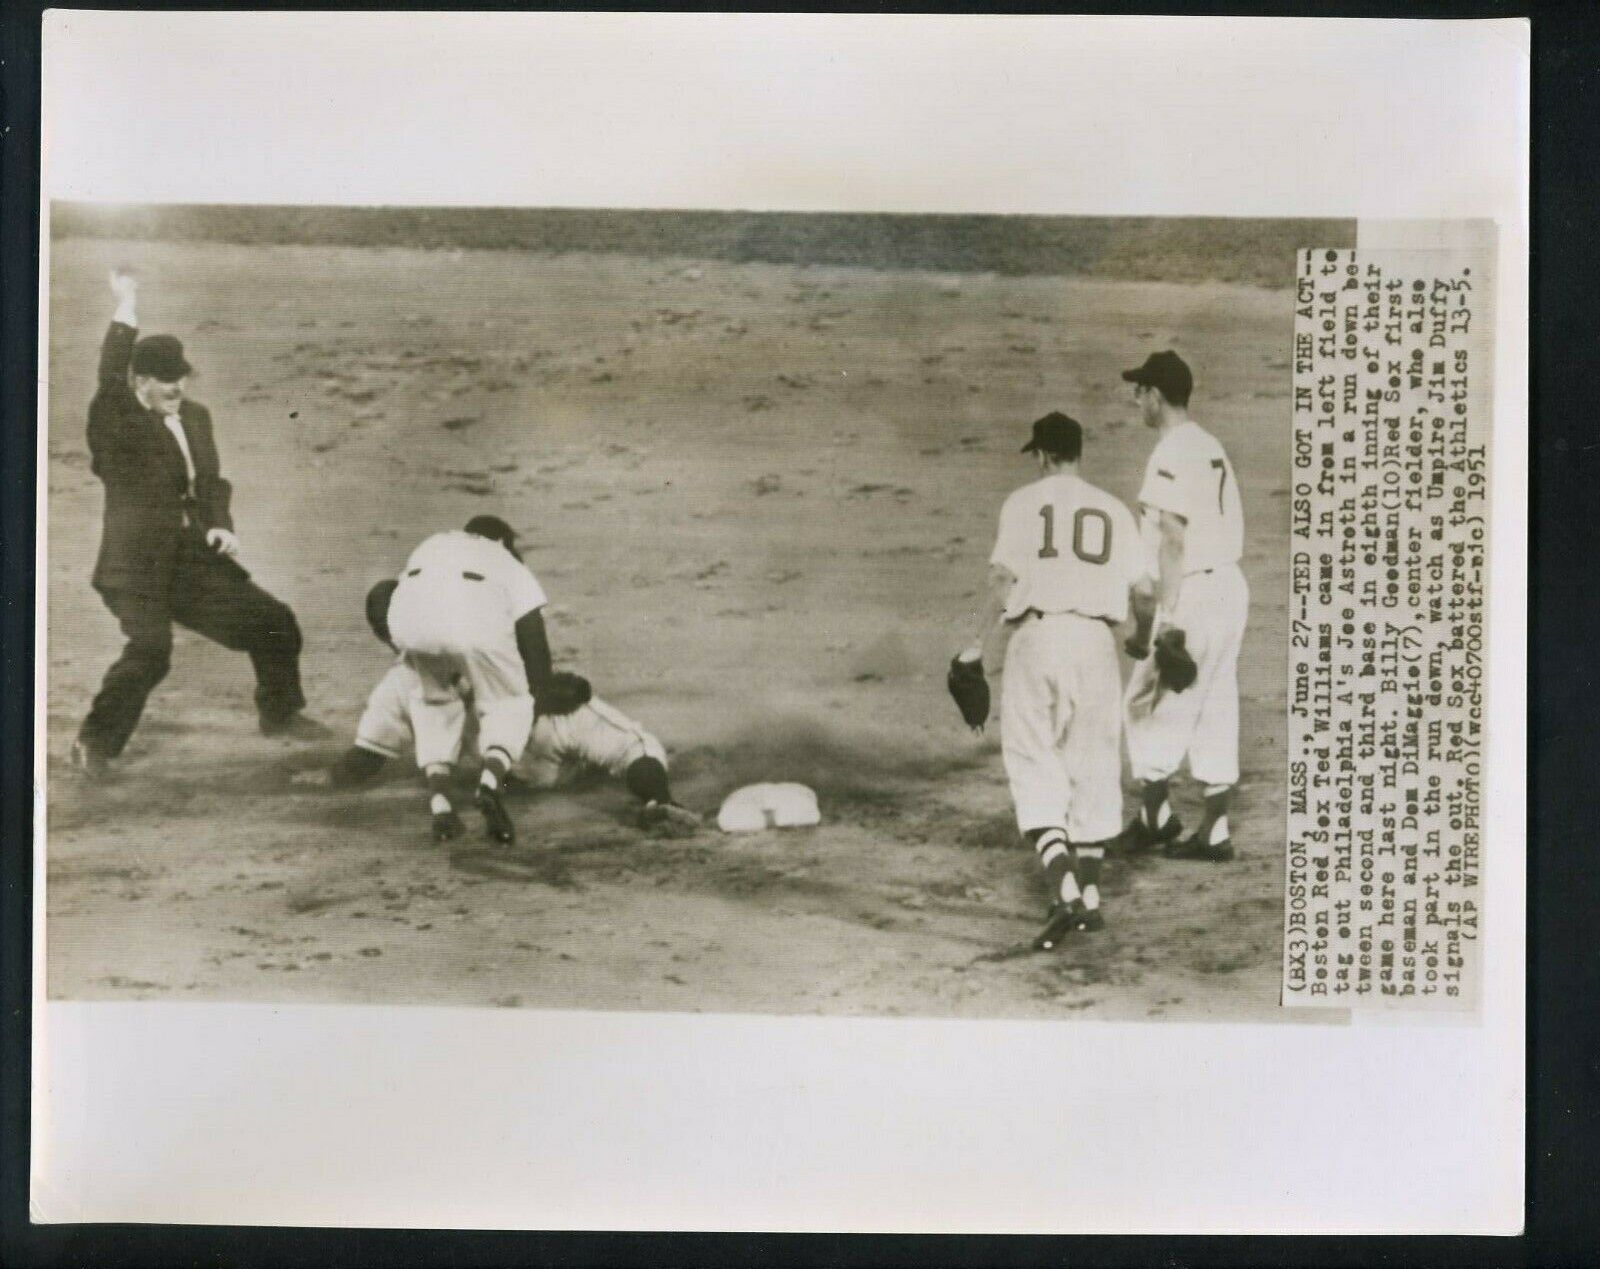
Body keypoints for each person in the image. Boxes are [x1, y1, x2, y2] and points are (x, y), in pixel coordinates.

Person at [72, 269, 311, 777]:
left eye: (180, 375)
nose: (176, 385)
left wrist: (219, 525)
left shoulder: (196, 417)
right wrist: (126, 306)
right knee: (152, 651)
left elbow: (210, 484)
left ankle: (281, 714)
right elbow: (110, 374)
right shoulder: (117, 421)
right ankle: (93, 744)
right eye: (163, 377)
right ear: (139, 381)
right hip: (133, 570)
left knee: (275, 622)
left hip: (189, 560)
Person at [297, 579, 699, 838]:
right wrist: (554, 687)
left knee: (605, 746)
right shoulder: (474, 635)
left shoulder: (399, 685)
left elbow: (366, 758)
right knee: (636, 749)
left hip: (514, 771)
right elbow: (548, 674)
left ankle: (651, 796)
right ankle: (658, 800)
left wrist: (324, 778)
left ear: (383, 635)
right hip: (548, 729)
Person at [962, 411, 1149, 950]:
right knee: (1092, 766)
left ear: (1042, 456)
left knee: (1032, 760)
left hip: (1038, 640)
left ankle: (1063, 887)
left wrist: (974, 648)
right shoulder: (1114, 510)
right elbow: (1144, 594)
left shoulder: (1023, 503)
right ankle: (1090, 901)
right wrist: (1141, 639)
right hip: (1096, 646)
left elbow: (1001, 582)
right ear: (1079, 453)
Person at [1118, 351, 1248, 862]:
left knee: (1147, 700)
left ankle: (1155, 817)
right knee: (1215, 699)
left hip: (1192, 591)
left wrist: (1167, 620)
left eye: (1140, 391)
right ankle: (1214, 831)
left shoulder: (1170, 451)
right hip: (1229, 588)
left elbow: (1173, 538)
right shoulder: (1208, 444)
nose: (1136, 400)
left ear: (1156, 395)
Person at [379, 516, 557, 845]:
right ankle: (489, 784)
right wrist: (537, 697)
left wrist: (403, 649)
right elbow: (534, 643)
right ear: (503, 541)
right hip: (473, 630)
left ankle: (441, 807)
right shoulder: (507, 563)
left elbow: (382, 598)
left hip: (409, 625)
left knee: (434, 704)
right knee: (509, 704)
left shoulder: (431, 545)